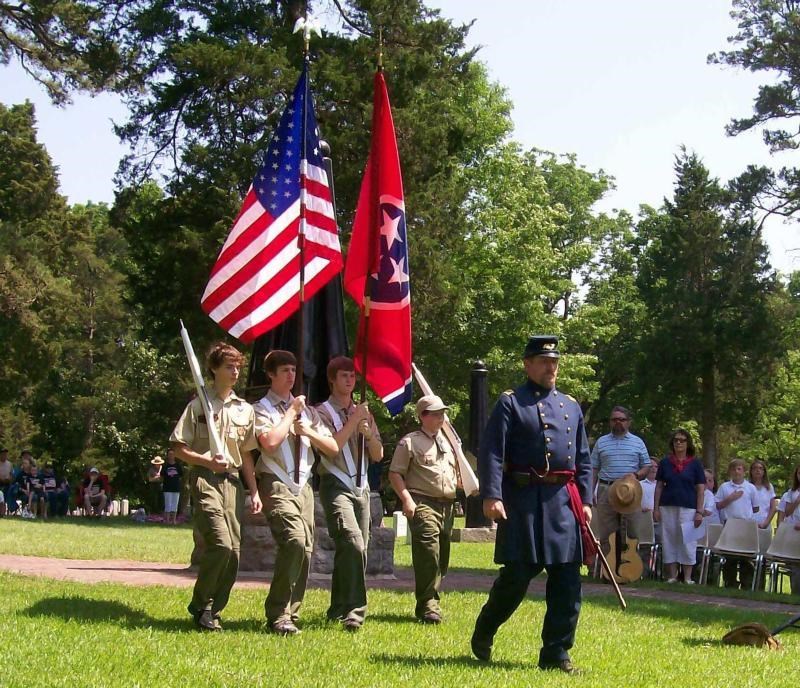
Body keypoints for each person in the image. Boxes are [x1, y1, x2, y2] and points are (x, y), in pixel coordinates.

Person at [471, 335, 592, 674]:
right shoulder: (511, 402)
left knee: (567, 581)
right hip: (522, 500)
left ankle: (556, 654)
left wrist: (587, 499)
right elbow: (492, 451)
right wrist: (492, 495)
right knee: (517, 577)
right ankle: (486, 627)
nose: (551, 367)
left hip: (563, 503)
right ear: (527, 365)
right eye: (543, 361)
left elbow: (583, 457)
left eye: (554, 361)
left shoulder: (571, 405)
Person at [170, 341, 262, 632]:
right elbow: (177, 448)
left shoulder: (245, 410)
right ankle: (201, 604)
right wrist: (206, 461)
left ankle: (211, 608)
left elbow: (246, 454)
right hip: (204, 478)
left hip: (233, 483)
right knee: (220, 543)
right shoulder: (198, 405)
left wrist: (254, 490)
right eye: (229, 366)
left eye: (238, 367)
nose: (235, 372)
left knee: (234, 551)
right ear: (213, 369)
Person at [254, 350, 338, 636]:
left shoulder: (307, 411)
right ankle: (277, 613)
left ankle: (292, 611)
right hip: (276, 482)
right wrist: (290, 414)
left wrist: (309, 431)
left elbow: (332, 447)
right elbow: (269, 442)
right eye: (285, 371)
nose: (291, 376)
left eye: (294, 370)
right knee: (294, 540)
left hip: (303, 486)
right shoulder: (262, 408)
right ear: (271, 375)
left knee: (305, 549)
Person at [315, 356, 383, 632]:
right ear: (332, 379)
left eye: (352, 376)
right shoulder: (321, 412)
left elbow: (378, 455)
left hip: (362, 486)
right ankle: (355, 611)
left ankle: (338, 606)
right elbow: (331, 448)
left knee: (356, 550)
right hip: (336, 483)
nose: (349, 381)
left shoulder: (364, 413)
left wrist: (368, 434)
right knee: (352, 542)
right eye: (343, 376)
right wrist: (353, 421)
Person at [389, 394, 458, 624]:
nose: (441, 417)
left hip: (447, 506)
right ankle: (428, 604)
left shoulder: (448, 442)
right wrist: (406, 499)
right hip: (423, 502)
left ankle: (431, 599)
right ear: (422, 416)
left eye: (442, 413)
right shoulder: (410, 442)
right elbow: (395, 473)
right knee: (428, 551)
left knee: (442, 555)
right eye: (436, 413)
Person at [590, 406, 651, 555]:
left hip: (630, 491)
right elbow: (593, 469)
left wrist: (636, 475)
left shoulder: (638, 442)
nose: (618, 422)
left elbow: (647, 466)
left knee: (632, 533)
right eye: (614, 419)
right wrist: (590, 493)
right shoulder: (601, 442)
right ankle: (608, 572)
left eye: (622, 419)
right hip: (606, 489)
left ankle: (630, 571)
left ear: (629, 422)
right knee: (606, 534)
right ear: (610, 422)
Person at [653, 429, 705, 584]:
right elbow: (659, 486)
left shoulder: (695, 464)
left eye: (682, 440)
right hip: (667, 506)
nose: (679, 443)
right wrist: (656, 508)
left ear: (688, 443)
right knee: (669, 539)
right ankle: (672, 576)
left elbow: (701, 489)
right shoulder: (665, 463)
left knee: (688, 540)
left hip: (689, 507)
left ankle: (688, 577)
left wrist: (699, 511)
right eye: (676, 440)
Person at [715, 458, 759, 589]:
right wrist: (731, 498)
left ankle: (746, 583)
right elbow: (718, 505)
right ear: (729, 471)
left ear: (744, 471)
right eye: (733, 469)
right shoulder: (725, 487)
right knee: (730, 556)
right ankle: (730, 582)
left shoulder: (750, 488)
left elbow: (756, 507)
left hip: (745, 524)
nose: (736, 471)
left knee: (745, 557)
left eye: (739, 469)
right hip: (730, 524)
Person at [776, 464, 800, 593]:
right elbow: (787, 512)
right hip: (792, 534)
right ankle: (795, 593)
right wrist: (797, 501)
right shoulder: (791, 493)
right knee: (794, 566)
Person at [749, 459, 777, 530]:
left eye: (760, 468)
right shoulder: (746, 486)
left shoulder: (769, 487)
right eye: (755, 468)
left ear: (764, 472)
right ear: (751, 471)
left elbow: (773, 507)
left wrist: (766, 523)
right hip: (749, 524)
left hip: (765, 523)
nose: (758, 470)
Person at [162, 449, 184, 525]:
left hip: (176, 488)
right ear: (167, 455)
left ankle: (174, 521)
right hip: (167, 488)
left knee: (175, 505)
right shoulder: (165, 465)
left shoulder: (178, 466)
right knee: (168, 504)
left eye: (172, 454)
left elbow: (181, 475)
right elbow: (162, 476)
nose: (171, 456)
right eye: (170, 454)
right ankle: (167, 521)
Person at [0, 448, 13, 516]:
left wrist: (9, 479)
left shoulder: (9, 464)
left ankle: (4, 512)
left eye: (6, 454)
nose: (5, 456)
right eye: (3, 454)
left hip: (7, 483)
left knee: (6, 496)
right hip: (0, 482)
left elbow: (11, 474)